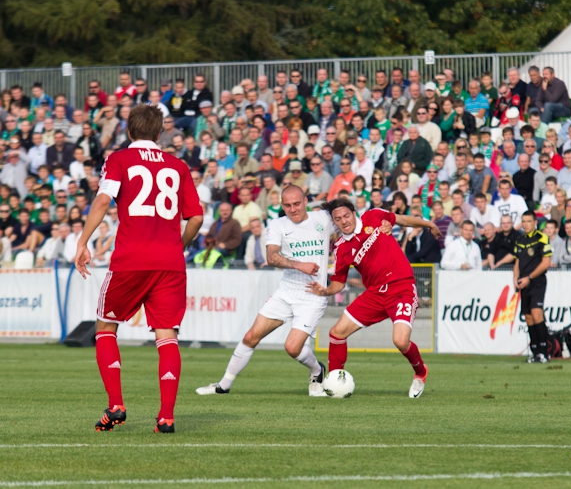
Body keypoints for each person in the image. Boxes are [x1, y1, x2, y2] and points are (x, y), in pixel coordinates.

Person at [73, 105, 204, 434]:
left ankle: (116, 404)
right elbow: (197, 218)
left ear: (129, 132)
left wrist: (83, 242)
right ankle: (166, 417)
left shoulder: (119, 160)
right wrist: (180, 245)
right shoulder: (178, 166)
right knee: (167, 335)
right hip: (170, 263)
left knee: (105, 326)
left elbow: (103, 201)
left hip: (131, 258)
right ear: (160, 133)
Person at [198, 186, 360, 397]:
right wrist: (299, 265)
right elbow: (272, 257)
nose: (293, 209)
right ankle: (223, 386)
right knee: (250, 337)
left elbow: (353, 221)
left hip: (313, 296)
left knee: (292, 348)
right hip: (286, 291)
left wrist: (383, 225)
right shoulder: (278, 224)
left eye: (297, 204)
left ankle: (317, 370)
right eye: (288, 205)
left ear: (305, 201)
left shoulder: (323, 219)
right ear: (282, 205)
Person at [307, 200, 443, 398]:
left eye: (346, 215)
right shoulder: (342, 248)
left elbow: (402, 219)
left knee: (400, 340)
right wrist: (325, 291)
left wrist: (429, 224)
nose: (343, 221)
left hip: (401, 287)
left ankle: (421, 372)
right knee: (337, 333)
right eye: (338, 219)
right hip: (375, 294)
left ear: (354, 213)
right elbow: (338, 283)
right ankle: (336, 382)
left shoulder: (374, 216)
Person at [513, 211, 552, 363]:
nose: (526, 224)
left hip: (537, 281)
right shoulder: (520, 240)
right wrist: (516, 278)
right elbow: (517, 263)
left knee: (537, 314)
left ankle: (545, 352)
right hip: (524, 283)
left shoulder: (542, 238)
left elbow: (546, 262)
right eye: (523, 221)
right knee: (528, 317)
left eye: (529, 221)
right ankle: (535, 352)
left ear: (535, 222)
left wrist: (529, 278)